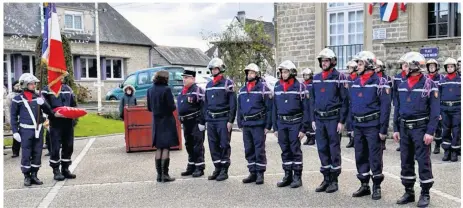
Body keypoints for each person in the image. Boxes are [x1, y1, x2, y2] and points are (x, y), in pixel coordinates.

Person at [393, 52, 439, 207]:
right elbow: (398, 108)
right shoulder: (402, 84)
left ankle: (425, 193)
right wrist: (396, 128)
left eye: (406, 65)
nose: (403, 68)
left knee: (423, 161)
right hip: (405, 127)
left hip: (421, 128)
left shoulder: (429, 85)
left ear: (415, 66)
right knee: (405, 161)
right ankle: (409, 191)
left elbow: (435, 110)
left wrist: (430, 131)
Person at [349, 51, 391, 200]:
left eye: (360, 64)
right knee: (360, 155)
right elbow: (351, 105)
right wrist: (352, 127)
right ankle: (364, 185)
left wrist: (383, 129)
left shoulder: (380, 83)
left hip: (373, 126)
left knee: (375, 157)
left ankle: (377, 186)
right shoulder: (355, 83)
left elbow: (385, 108)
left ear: (368, 65)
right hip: (358, 126)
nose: (357, 66)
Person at [310, 48, 349, 193]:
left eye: (326, 60)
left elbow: (345, 100)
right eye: (322, 61)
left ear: (332, 62)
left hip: (333, 119)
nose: (324, 63)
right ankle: (326, 178)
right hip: (319, 119)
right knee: (322, 148)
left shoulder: (340, 77)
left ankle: (334, 180)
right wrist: (312, 119)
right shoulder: (316, 78)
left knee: (334, 149)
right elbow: (312, 100)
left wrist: (342, 121)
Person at [11, 73, 54, 186]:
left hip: (38, 129)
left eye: (34, 83)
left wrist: (43, 103)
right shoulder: (17, 99)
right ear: (25, 84)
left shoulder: (39, 97)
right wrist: (15, 131)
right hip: (25, 130)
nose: (34, 85)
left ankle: (34, 175)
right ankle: (26, 176)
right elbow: (13, 117)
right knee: (26, 153)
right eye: (31, 84)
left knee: (37, 152)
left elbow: (49, 111)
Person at [272, 60, 310, 188]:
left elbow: (306, 109)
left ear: (292, 72)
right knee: (285, 150)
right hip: (282, 123)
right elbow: (274, 108)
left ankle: (297, 177)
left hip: (295, 123)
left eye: (286, 71)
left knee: (295, 150)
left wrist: (304, 129)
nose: (283, 74)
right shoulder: (277, 86)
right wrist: (275, 127)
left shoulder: (300, 87)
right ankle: (287, 175)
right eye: (282, 71)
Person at [237, 63, 272, 185]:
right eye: (248, 73)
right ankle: (252, 172)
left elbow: (269, 108)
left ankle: (260, 174)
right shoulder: (242, 90)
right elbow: (239, 108)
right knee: (249, 149)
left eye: (252, 73)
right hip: (246, 124)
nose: (249, 75)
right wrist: (240, 123)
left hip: (258, 124)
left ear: (257, 74)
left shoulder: (264, 89)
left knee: (259, 149)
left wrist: (268, 126)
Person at [204, 58, 237, 182]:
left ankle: (224, 169)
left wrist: (230, 120)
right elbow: (205, 104)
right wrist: (205, 119)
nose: (213, 71)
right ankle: (217, 168)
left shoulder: (228, 83)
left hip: (223, 119)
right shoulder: (208, 85)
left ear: (221, 69)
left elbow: (233, 103)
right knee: (213, 145)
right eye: (212, 69)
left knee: (224, 144)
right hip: (211, 120)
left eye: (215, 69)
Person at [41, 77, 78, 181]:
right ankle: (56, 170)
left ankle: (65, 169)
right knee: (55, 147)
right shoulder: (46, 89)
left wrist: (74, 116)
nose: (62, 77)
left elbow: (73, 103)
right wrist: (53, 114)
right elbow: (44, 105)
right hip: (55, 122)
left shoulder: (67, 88)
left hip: (68, 122)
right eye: (59, 75)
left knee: (69, 145)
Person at [147, 70, 179, 183]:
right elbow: (172, 107)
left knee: (159, 147)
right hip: (166, 120)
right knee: (166, 147)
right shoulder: (167, 89)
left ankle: (159, 175)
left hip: (156, 121)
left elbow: (149, 108)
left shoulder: (150, 90)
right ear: (165, 78)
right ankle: (165, 175)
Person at [177, 69, 206, 178]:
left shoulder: (198, 90)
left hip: (196, 121)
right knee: (188, 144)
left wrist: (202, 122)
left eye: (186, 77)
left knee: (197, 145)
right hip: (186, 122)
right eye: (183, 77)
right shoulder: (182, 91)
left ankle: (199, 167)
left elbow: (204, 107)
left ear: (193, 78)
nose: (184, 79)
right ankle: (191, 165)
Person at [440, 58, 461, 162]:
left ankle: (454, 151)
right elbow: (438, 96)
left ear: (455, 67)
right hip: (445, 108)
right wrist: (439, 111)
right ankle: (447, 150)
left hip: (457, 108)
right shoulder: (442, 80)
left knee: (456, 130)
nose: (450, 68)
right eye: (448, 67)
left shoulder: (460, 79)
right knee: (446, 130)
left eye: (452, 66)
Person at [426, 59, 444, 154]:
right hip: (426, 106)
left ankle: (437, 145)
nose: (431, 67)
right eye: (430, 66)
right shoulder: (425, 78)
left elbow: (442, 94)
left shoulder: (441, 78)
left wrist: (440, 110)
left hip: (437, 105)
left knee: (438, 127)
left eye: (433, 66)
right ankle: (425, 147)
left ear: (437, 67)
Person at [375, 59, 393, 151]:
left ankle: (383, 141)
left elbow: (390, 91)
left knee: (384, 121)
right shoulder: (374, 78)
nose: (376, 68)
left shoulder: (387, 79)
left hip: (385, 101)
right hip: (376, 103)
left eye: (378, 67)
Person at [392, 55, 409, 152]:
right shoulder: (398, 77)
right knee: (397, 122)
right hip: (399, 103)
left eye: (407, 65)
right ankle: (401, 142)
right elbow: (394, 91)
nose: (405, 67)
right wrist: (395, 102)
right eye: (403, 65)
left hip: (407, 103)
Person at [6, 81, 22, 158]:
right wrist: (9, 120)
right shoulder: (10, 96)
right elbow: (7, 109)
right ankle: (15, 152)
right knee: (16, 135)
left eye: (19, 85)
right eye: (16, 85)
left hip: (24, 117)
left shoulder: (24, 95)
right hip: (15, 118)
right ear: (13, 87)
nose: (18, 87)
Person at [345, 60, 358, 148]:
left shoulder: (358, 78)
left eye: (350, 68)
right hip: (349, 103)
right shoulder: (348, 79)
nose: (348, 70)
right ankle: (351, 139)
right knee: (349, 121)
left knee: (355, 121)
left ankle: (356, 140)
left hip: (357, 103)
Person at [302, 68, 315, 146]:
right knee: (305, 120)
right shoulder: (302, 84)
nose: (306, 76)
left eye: (307, 75)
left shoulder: (313, 84)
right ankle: (308, 137)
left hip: (311, 104)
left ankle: (313, 138)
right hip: (304, 104)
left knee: (311, 120)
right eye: (305, 75)